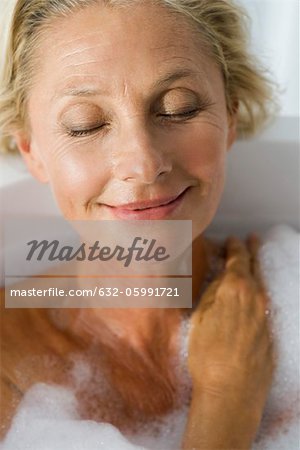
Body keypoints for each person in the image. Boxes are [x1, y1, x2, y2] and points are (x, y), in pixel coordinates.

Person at [0, 0, 277, 448]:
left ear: (229, 116)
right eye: (85, 125)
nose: (144, 164)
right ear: (32, 151)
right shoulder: (8, 365)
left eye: (178, 108)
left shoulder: (290, 291)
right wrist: (227, 400)